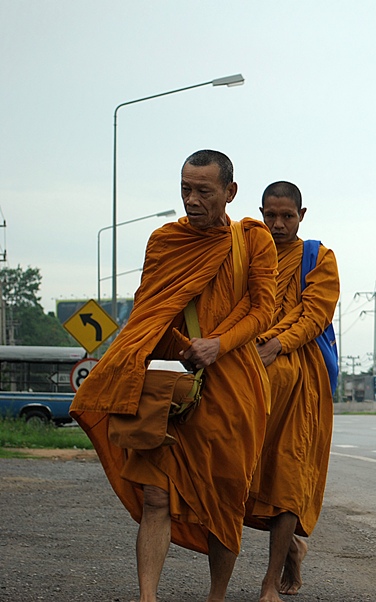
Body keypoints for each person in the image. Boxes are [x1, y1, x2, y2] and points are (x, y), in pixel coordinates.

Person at [70, 150, 277, 602]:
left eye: (204, 190)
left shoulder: (253, 241)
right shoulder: (164, 241)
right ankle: (147, 598)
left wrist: (219, 344)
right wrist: (160, 353)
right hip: (172, 384)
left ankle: (216, 596)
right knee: (155, 498)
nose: (192, 199)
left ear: (230, 192)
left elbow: (264, 308)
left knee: (226, 502)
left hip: (233, 387)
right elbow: (150, 309)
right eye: (186, 189)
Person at [245, 181, 339, 601]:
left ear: (302, 215)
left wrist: (276, 344)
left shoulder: (318, 258)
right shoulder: (248, 252)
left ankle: (270, 583)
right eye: (271, 215)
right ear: (261, 213)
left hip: (302, 378)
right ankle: (290, 551)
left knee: (286, 474)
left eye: (287, 216)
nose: (278, 224)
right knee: (242, 470)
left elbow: (315, 314)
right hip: (249, 369)